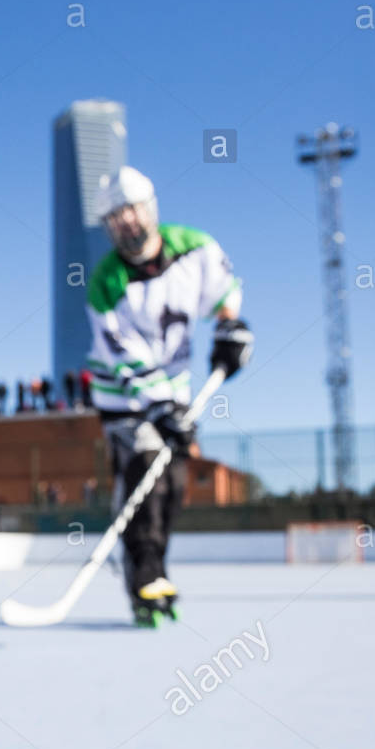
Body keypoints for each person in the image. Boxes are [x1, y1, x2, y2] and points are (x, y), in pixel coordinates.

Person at [86, 166, 253, 627]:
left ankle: (155, 570)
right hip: (125, 398)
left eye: (131, 212)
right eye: (114, 219)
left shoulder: (196, 248)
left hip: (175, 395)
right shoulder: (105, 283)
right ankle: (144, 577)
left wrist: (229, 327)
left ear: (150, 208)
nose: (126, 224)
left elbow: (225, 293)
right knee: (146, 477)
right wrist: (158, 404)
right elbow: (122, 356)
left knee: (175, 484)